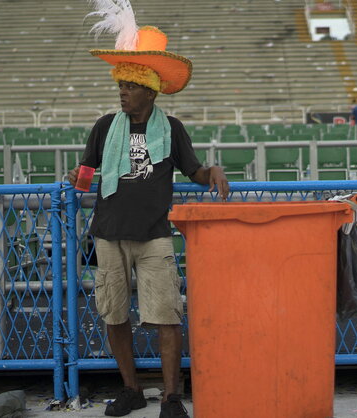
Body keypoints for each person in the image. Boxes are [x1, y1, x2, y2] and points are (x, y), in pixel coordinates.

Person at [70, 8, 229, 418]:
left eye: (130, 86)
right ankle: (131, 390)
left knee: (166, 318)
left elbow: (194, 172)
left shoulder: (171, 129)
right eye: (121, 84)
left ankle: (172, 398)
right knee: (114, 313)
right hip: (108, 234)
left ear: (150, 93)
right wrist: (77, 178)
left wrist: (214, 170)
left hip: (155, 235)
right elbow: (86, 176)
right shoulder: (105, 127)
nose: (122, 92)